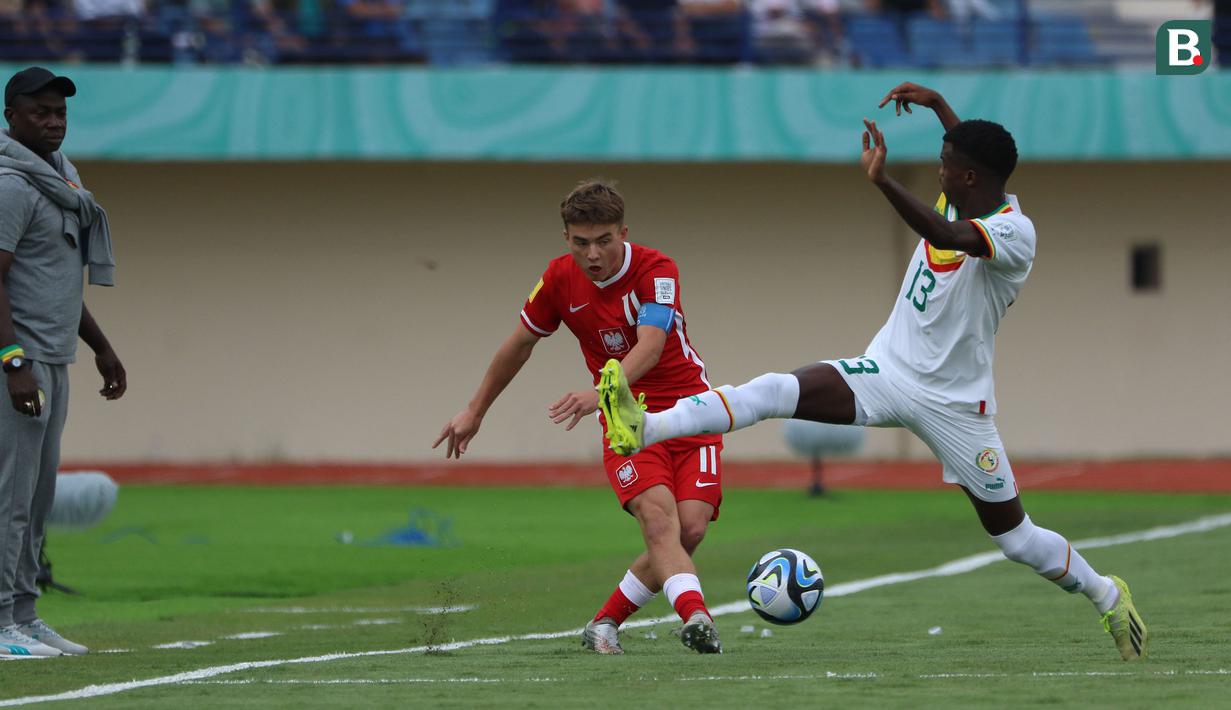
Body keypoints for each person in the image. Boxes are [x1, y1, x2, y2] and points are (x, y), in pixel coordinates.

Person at [596, 82, 1148, 661]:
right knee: (774, 390)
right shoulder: (963, 192)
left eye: (945, 164)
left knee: (1016, 539)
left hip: (956, 405)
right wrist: (938, 106)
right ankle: (646, 426)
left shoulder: (1014, 233)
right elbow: (967, 160)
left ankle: (1108, 595)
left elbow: (945, 235)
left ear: (969, 178)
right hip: (885, 369)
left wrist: (883, 180)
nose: (938, 170)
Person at [435, 180, 724, 654]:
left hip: (691, 411)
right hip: (627, 420)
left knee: (689, 530)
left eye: (604, 240)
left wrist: (599, 390)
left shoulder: (657, 269)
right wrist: (475, 409)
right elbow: (519, 344)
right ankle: (698, 618)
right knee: (658, 522)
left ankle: (604, 623)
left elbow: (651, 346)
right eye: (581, 242)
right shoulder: (557, 279)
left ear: (623, 233)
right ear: (566, 238)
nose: (593, 254)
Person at [0, 67, 126, 658]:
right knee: (11, 497)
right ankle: (2, 620)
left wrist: (101, 346)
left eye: (60, 113)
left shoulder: (62, 180)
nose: (54, 122)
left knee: (37, 498)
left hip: (55, 357)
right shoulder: (11, 185)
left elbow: (57, 281)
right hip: (19, 362)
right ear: (11, 118)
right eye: (41, 112)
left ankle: (24, 615)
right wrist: (12, 362)